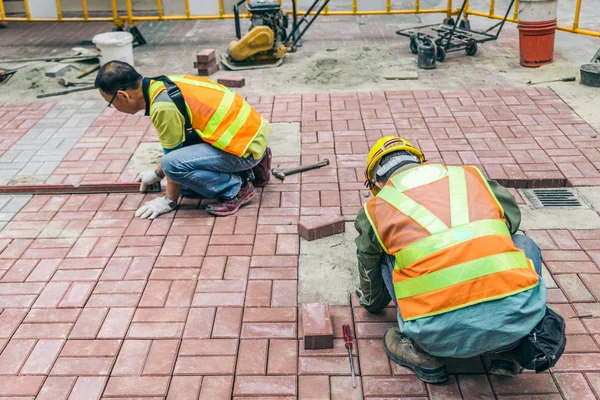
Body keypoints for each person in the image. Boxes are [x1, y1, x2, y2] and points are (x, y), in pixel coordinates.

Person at [355, 136, 547, 383]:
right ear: (419, 161)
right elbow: (510, 221)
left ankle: (423, 354)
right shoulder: (468, 175)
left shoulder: (376, 207)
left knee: (383, 254)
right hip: (517, 324)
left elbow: (370, 272)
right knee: (521, 243)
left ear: (377, 182)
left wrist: (372, 303)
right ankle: (508, 351)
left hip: (435, 339)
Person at [94, 61, 272, 219]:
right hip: (252, 136)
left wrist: (168, 201)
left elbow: (172, 160)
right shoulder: (162, 83)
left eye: (110, 102)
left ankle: (237, 188)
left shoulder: (163, 107)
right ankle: (257, 165)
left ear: (123, 96)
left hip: (244, 151)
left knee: (173, 167)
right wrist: (156, 175)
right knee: (188, 187)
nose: (112, 107)